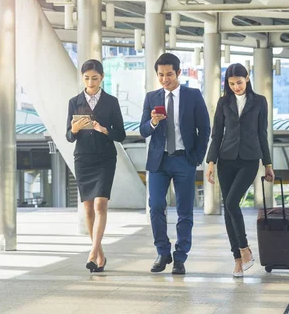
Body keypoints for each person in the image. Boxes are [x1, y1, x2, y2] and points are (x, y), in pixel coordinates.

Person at [139, 53, 211, 275]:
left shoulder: (193, 95)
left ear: (178, 73)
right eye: (160, 75)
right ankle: (162, 252)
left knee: (184, 211)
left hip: (184, 160)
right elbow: (142, 130)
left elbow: (205, 129)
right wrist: (152, 122)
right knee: (156, 205)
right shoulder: (152, 97)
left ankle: (180, 257)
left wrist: (196, 158)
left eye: (169, 74)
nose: (164, 79)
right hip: (159, 161)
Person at [205, 62, 275, 278]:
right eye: (232, 83)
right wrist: (210, 162)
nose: (236, 87)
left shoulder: (259, 102)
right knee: (228, 207)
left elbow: (262, 133)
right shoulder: (224, 102)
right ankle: (237, 259)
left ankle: (244, 248)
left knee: (232, 202)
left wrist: (268, 164)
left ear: (247, 78)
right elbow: (216, 133)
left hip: (249, 159)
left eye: (240, 82)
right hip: (225, 159)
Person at [66, 59, 126, 273]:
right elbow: (68, 137)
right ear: (82, 78)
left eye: (94, 77)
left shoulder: (111, 102)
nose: (90, 82)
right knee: (88, 208)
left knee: (101, 204)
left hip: (105, 158)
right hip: (83, 158)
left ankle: (92, 252)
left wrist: (104, 130)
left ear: (102, 78)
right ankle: (99, 253)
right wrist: (73, 129)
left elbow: (121, 134)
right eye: (86, 78)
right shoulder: (74, 101)